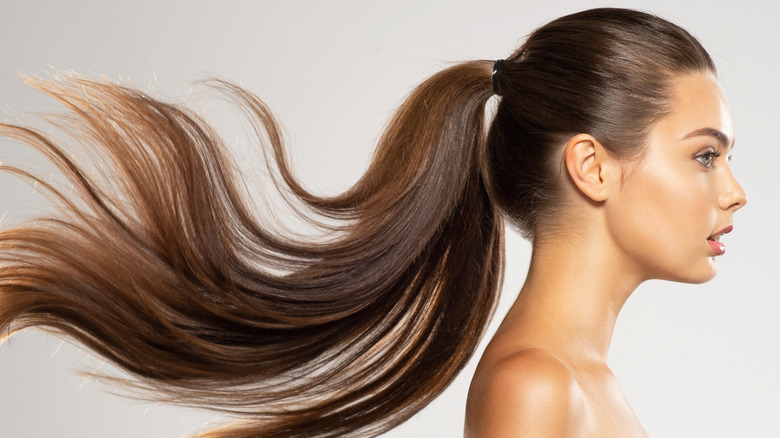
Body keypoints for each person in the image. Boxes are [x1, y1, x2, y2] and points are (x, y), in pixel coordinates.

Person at [0, 7, 745, 438]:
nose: (737, 192)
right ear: (591, 167)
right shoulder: (537, 387)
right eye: (705, 156)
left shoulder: (581, 380)